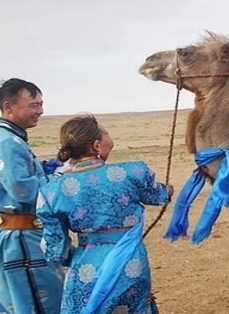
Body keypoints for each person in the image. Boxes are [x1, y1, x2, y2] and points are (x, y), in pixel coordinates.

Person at [36, 114, 173, 314]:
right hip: (130, 262)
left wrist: (77, 256)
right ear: (97, 146)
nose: (111, 139)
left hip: (86, 265)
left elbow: (55, 249)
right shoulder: (133, 172)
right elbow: (159, 196)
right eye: (106, 133)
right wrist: (169, 189)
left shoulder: (52, 191)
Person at [0, 78, 64, 313]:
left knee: (9, 299)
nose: (40, 111)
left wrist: (54, 166)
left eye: (41, 104)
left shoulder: (4, 138)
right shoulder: (7, 142)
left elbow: (25, 176)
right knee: (34, 299)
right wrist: (62, 178)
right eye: (34, 105)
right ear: (9, 106)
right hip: (20, 238)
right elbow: (23, 191)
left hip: (12, 235)